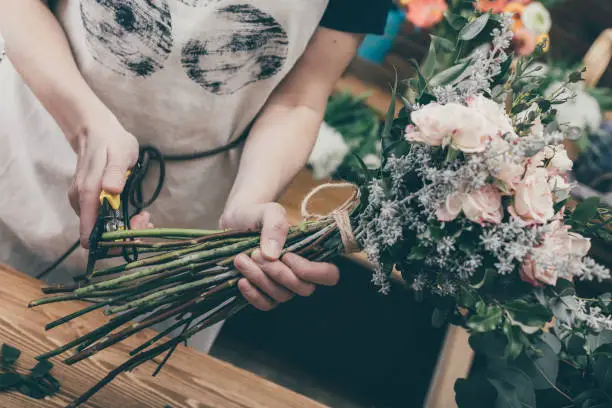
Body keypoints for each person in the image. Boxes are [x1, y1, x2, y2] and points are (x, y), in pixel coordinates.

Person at [0, 0, 391, 353]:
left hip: (183, 240)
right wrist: (85, 124)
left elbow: (300, 97)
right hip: (28, 152)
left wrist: (251, 198)